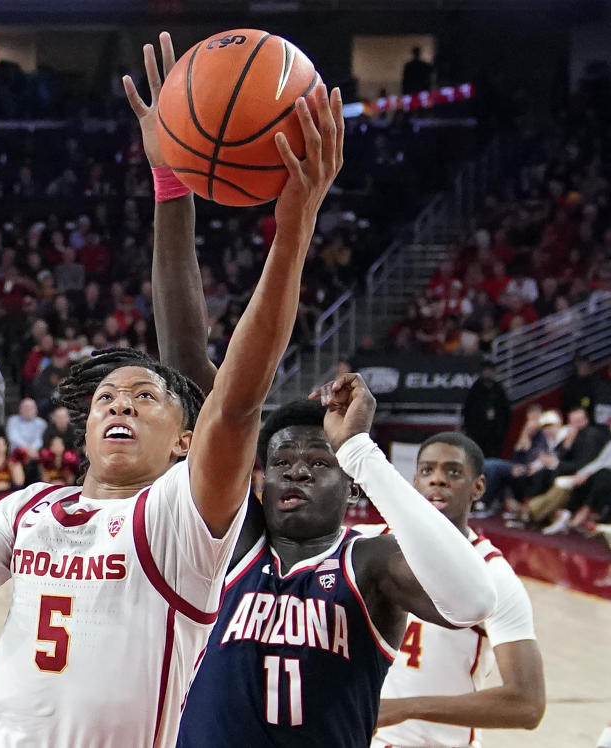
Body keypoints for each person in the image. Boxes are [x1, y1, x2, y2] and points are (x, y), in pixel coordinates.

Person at [0, 51, 346, 745]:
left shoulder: (178, 520)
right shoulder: (32, 509)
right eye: (105, 397)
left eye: (143, 396)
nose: (120, 405)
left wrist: (292, 232)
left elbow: (233, 401)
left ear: (185, 440)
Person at [124, 34, 495, 748]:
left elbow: (471, 598)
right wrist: (171, 183)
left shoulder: (369, 564)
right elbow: (184, 359)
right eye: (283, 460)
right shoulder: (233, 544)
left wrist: (358, 450)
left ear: (345, 484)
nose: (296, 468)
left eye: (315, 462)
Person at [364, 432, 545, 748]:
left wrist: (408, 708)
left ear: (479, 486)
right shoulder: (367, 545)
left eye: (453, 471)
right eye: (427, 471)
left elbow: (527, 704)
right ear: (414, 482)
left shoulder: (494, 575)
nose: (438, 480)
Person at [462, 361, 511, 458]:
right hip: (478, 434)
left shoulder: (499, 389)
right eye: (486, 371)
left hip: (495, 435)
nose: (488, 373)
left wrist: (501, 428)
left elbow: (506, 410)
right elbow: (468, 412)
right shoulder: (475, 390)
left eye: (490, 371)